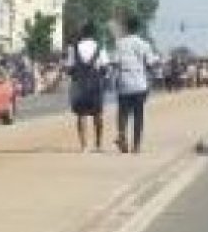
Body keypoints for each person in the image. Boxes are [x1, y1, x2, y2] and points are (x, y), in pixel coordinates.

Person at [113, 14, 160, 154]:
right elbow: (151, 63)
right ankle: (136, 146)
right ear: (138, 28)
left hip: (124, 83)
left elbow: (115, 63)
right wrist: (151, 75)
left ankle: (122, 135)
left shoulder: (119, 43)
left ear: (126, 28)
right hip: (140, 83)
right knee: (138, 115)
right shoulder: (144, 44)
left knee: (123, 113)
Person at [65, 23, 108, 152]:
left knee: (81, 115)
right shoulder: (100, 48)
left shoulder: (74, 48)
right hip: (95, 84)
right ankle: (98, 144)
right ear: (94, 34)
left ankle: (84, 145)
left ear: (82, 33)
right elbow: (105, 68)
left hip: (79, 85)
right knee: (98, 115)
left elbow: (70, 68)